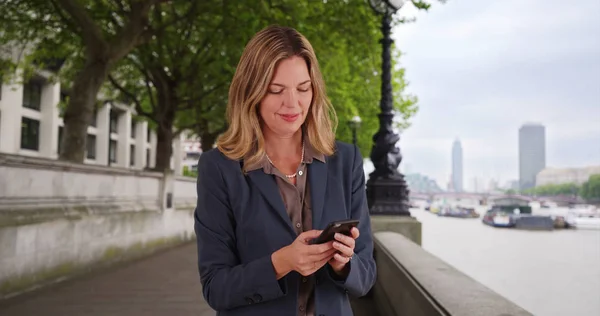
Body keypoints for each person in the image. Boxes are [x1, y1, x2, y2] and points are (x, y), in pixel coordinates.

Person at [194, 25, 376, 316]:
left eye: (303, 89)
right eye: (276, 90)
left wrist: (343, 264)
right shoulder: (218, 169)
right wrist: (281, 263)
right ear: (251, 92)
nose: (293, 103)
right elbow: (215, 287)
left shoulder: (346, 161)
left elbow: (365, 276)